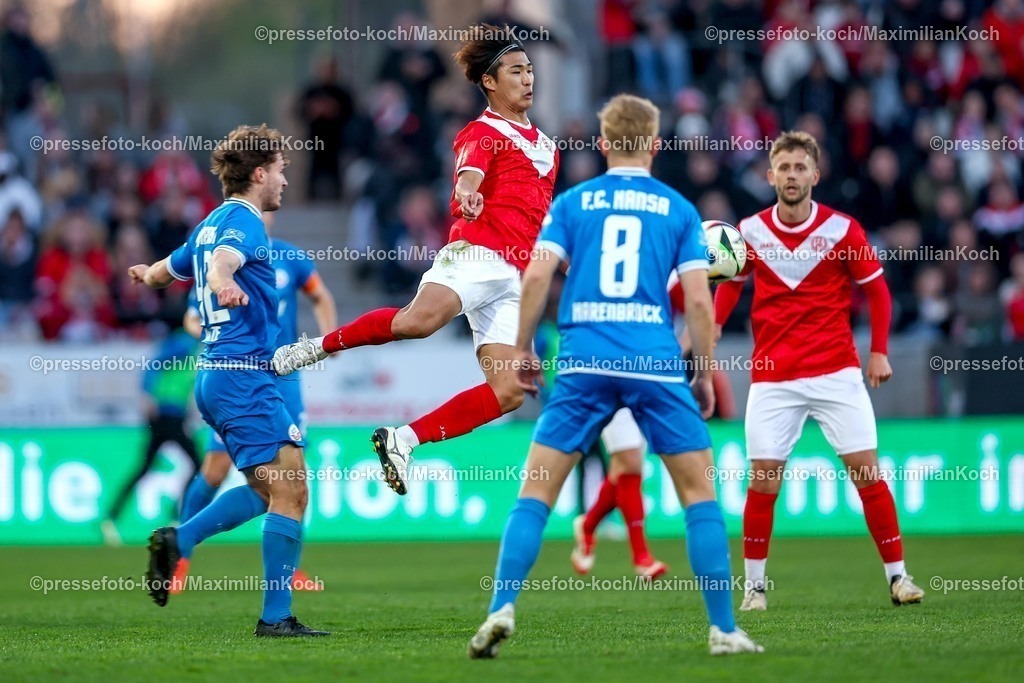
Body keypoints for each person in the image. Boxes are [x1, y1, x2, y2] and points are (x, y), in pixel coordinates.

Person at [467, 94, 762, 659]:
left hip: (581, 360)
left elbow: (535, 278)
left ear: (602, 145)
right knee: (700, 493)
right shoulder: (678, 209)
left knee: (536, 492)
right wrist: (700, 372)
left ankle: (501, 606)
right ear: (654, 145)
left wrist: (524, 348)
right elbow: (699, 304)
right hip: (652, 359)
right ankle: (724, 629)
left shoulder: (574, 203)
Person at [274, 25, 558, 496]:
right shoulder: (483, 131)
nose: (528, 79)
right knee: (416, 323)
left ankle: (403, 440)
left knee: (508, 392)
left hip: (518, 278)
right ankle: (315, 347)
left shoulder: (548, 147)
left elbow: (537, 213)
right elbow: (469, 174)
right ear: (489, 81)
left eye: (530, 70)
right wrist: (466, 194)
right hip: (479, 254)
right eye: (515, 71)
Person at [128, 123, 328, 637]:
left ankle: (181, 539)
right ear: (259, 173)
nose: (285, 179)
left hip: (218, 375)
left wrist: (143, 274)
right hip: (244, 375)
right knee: (292, 492)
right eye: (281, 169)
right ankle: (275, 618)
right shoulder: (245, 222)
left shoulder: (208, 222)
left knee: (272, 492)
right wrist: (222, 280)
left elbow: (162, 272)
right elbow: (222, 263)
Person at [713, 131, 925, 611]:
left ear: (815, 174)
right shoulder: (749, 231)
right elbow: (730, 285)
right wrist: (714, 329)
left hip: (836, 371)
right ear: (770, 176)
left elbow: (878, 292)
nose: (791, 175)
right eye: (783, 168)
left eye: (799, 167)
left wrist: (880, 351)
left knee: (867, 474)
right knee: (763, 480)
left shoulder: (842, 230)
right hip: (773, 376)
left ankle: (898, 578)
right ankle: (755, 589)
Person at [173, 212, 337, 592]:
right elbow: (191, 318)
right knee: (215, 469)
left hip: (286, 375)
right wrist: (218, 335)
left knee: (294, 473)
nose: (264, 216)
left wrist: (330, 337)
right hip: (242, 373)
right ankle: (181, 555)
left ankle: (289, 566)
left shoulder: (289, 257)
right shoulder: (221, 258)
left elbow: (320, 294)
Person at [100, 318, 199, 546]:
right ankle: (176, 516)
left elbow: (182, 381)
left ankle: (110, 517)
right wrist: (147, 395)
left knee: (145, 467)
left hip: (172, 414)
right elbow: (154, 365)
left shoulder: (193, 346)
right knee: (197, 464)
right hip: (167, 413)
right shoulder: (183, 343)